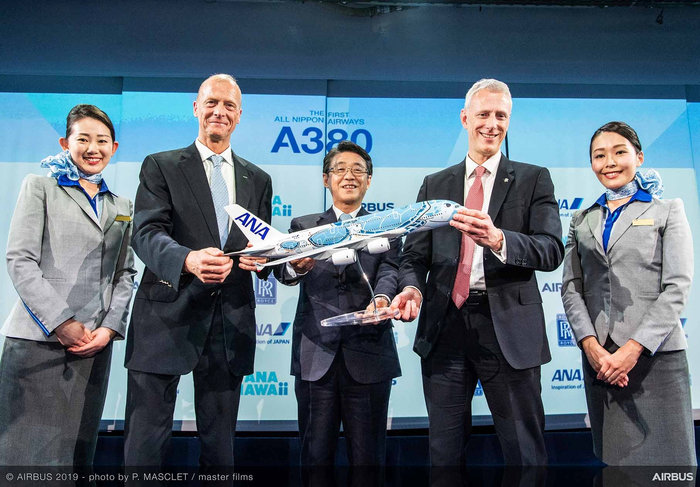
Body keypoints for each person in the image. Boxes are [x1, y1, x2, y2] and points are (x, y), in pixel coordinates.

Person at [391, 79, 564, 466]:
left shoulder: (534, 178)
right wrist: (412, 289)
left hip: (509, 329)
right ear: (465, 118)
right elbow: (414, 255)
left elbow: (552, 250)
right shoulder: (435, 184)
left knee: (525, 455)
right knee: (444, 456)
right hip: (444, 329)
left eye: (501, 115)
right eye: (483, 114)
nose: (492, 123)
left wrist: (499, 239)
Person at [123, 74, 272, 467]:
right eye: (211, 102)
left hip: (230, 326)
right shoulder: (161, 166)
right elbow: (146, 233)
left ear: (239, 115)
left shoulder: (258, 179)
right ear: (195, 108)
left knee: (220, 456)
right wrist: (188, 260)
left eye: (228, 105)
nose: (219, 111)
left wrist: (264, 260)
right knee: (144, 450)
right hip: (164, 319)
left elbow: (262, 246)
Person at [0, 104, 136, 466]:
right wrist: (62, 322)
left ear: (114, 148)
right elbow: (20, 260)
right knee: (24, 459)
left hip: (93, 347)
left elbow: (125, 273)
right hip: (38, 343)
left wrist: (109, 329)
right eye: (83, 139)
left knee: (76, 459)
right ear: (65, 143)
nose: (93, 148)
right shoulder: (40, 187)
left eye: (102, 141)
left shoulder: (122, 205)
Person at [561, 121, 696, 466]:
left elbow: (677, 286)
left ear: (639, 157)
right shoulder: (581, 219)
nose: (609, 162)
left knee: (670, 466)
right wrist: (590, 346)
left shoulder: (667, 210)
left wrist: (633, 350)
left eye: (619, 152)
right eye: (599, 155)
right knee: (615, 465)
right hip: (601, 362)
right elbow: (572, 287)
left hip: (655, 358)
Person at [276, 141, 401, 468]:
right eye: (340, 169)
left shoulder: (388, 225)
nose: (349, 176)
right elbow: (282, 272)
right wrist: (296, 267)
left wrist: (382, 298)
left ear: (369, 180)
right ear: (326, 179)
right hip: (316, 356)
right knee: (315, 460)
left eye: (358, 170)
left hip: (370, 354)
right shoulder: (303, 227)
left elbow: (391, 269)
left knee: (368, 462)